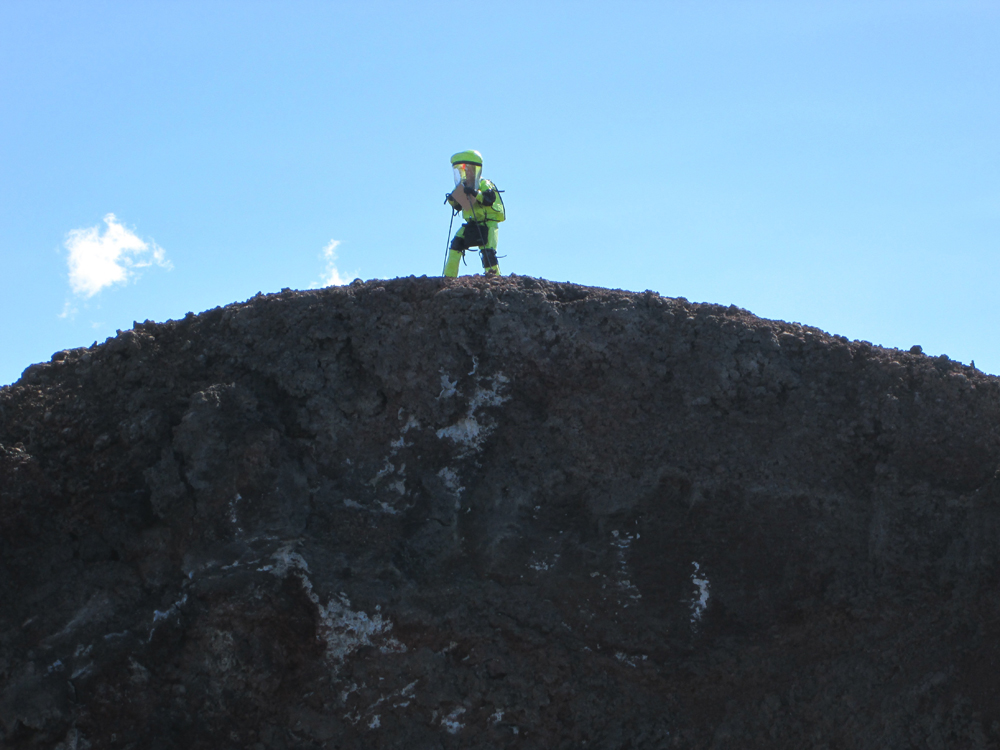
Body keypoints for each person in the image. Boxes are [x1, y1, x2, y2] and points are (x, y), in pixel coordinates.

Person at [443, 150, 505, 277]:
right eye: (464, 170)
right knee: (456, 245)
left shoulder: (484, 184)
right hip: (471, 223)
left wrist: (474, 193)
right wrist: (452, 199)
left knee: (488, 252)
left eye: (469, 170)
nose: (467, 173)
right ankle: (449, 276)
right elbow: (458, 206)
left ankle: (495, 278)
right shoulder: (465, 187)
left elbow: (489, 199)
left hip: (488, 224)